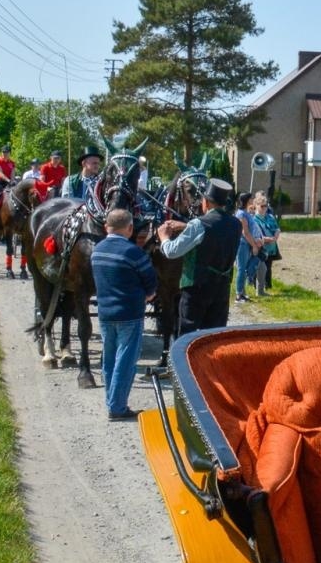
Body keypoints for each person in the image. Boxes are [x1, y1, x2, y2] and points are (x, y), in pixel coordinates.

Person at [91, 207, 158, 421]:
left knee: (109, 359)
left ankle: (112, 401)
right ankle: (117, 407)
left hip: (105, 312)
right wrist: (146, 296)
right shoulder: (134, 252)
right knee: (126, 361)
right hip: (130, 312)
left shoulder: (97, 250)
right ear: (130, 228)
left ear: (106, 227)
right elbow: (151, 285)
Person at [157, 177, 242, 334]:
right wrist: (187, 227)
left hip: (196, 289)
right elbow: (217, 233)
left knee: (187, 335)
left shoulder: (198, 225)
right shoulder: (236, 223)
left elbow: (171, 251)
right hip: (222, 289)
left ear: (206, 202)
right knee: (212, 335)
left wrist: (163, 237)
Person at [248, 192, 280, 296]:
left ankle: (268, 286)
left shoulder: (270, 217)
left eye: (266, 206)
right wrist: (266, 239)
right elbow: (255, 234)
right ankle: (257, 287)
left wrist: (275, 236)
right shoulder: (253, 219)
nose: (264, 208)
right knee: (259, 267)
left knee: (268, 266)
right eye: (262, 206)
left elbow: (277, 228)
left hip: (271, 247)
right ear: (256, 206)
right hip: (261, 247)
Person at [233, 192, 257, 303]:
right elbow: (245, 232)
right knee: (241, 269)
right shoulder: (241, 214)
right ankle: (238, 294)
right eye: (251, 199)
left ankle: (243, 292)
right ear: (247, 201)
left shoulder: (245, 213)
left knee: (243, 269)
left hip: (246, 244)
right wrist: (254, 245)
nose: (253, 200)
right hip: (242, 244)